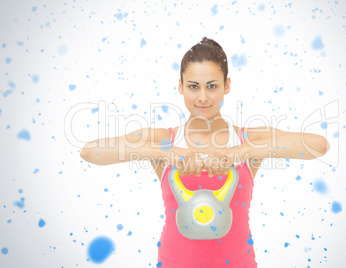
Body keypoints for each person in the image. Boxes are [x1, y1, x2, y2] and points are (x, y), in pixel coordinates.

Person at [80, 37, 330, 267]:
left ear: (226, 85)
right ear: (180, 86)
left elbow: (319, 145)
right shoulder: (166, 140)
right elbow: (90, 152)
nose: (202, 97)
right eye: (193, 86)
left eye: (211, 86)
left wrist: (242, 152)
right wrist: (166, 154)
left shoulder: (246, 139)